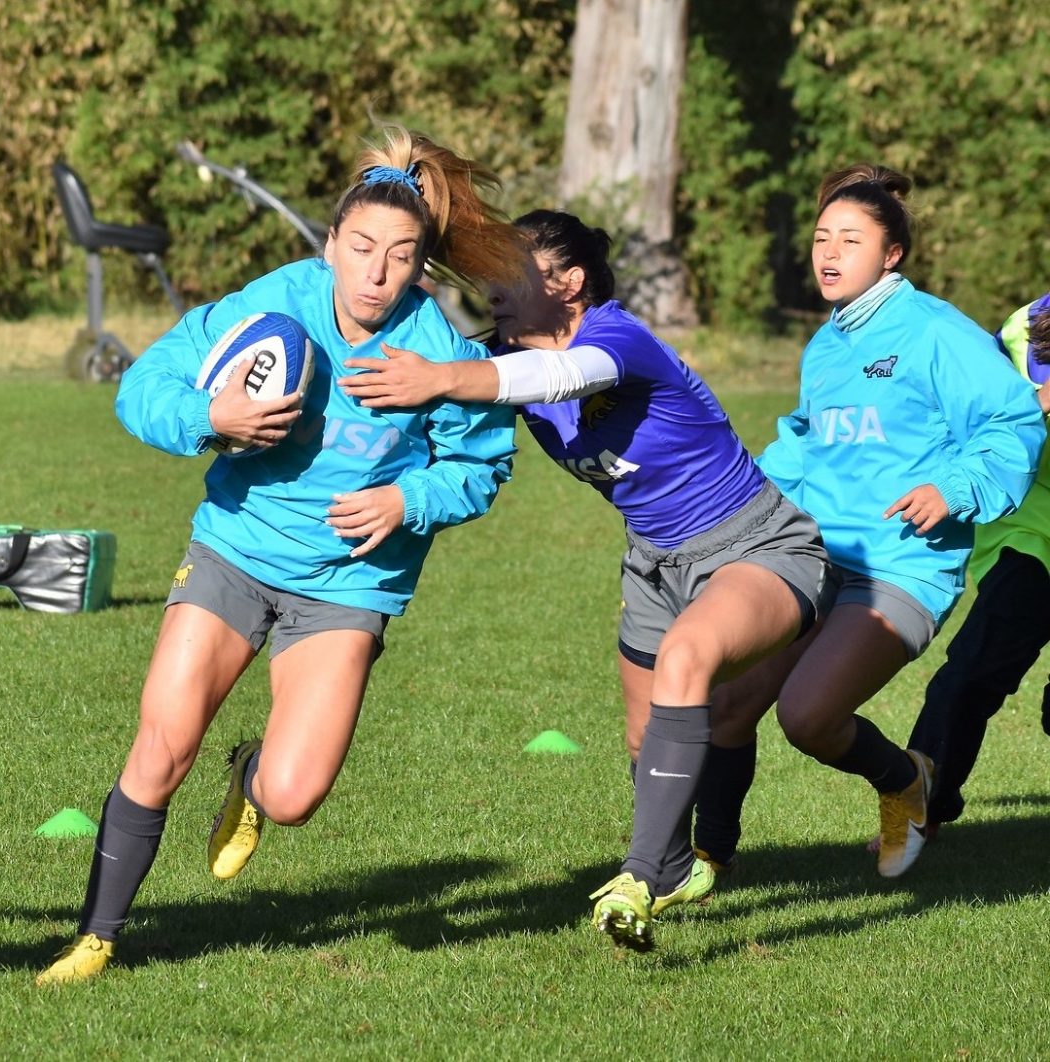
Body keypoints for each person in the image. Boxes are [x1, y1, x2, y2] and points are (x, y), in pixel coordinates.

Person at [35, 126, 525, 984]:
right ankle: (96, 939)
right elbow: (144, 384)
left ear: (421, 265)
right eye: (361, 248)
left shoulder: (439, 350)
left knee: (294, 796)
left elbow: (482, 465)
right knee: (162, 744)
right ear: (330, 243)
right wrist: (209, 419)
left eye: (400, 257)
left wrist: (407, 501)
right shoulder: (274, 307)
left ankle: (251, 774)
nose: (376, 274)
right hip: (235, 550)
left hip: (348, 583)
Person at [336, 208, 833, 950]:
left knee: (687, 658)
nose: (494, 289)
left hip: (756, 543)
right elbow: (432, 357)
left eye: (515, 274)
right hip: (654, 564)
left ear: (570, 284)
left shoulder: (615, 337)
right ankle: (673, 865)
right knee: (645, 740)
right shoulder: (500, 355)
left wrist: (440, 376)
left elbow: (562, 375)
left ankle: (638, 877)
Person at [692, 165, 1044, 881]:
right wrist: (734, 508)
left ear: (892, 255)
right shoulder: (828, 344)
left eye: (850, 241)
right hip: (814, 555)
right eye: (822, 238)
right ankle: (706, 859)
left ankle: (907, 780)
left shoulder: (937, 333)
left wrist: (954, 487)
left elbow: (1013, 422)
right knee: (729, 702)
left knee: (807, 717)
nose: (829, 254)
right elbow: (804, 444)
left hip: (901, 566)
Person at [899, 293, 1050, 832]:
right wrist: (1036, 403)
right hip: (1030, 534)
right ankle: (918, 811)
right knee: (967, 678)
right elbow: (977, 419)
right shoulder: (1022, 328)